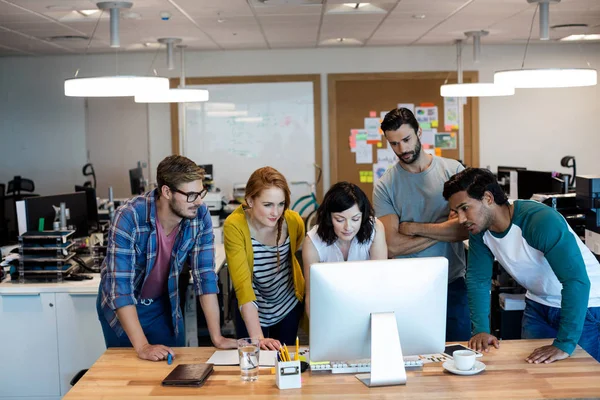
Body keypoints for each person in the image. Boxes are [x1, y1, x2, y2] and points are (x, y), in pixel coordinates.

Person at [444, 168, 600, 363]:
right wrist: (481, 330)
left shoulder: (540, 220)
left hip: (585, 305)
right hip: (538, 304)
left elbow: (576, 281)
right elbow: (478, 279)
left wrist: (565, 343)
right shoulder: (479, 230)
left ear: (488, 198)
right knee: (533, 379)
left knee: (581, 385)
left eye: (465, 208)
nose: (460, 219)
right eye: (456, 211)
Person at [97, 155, 236, 362]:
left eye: (201, 193)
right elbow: (120, 289)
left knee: (171, 368)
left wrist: (217, 337)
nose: (198, 201)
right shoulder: (129, 216)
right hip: (123, 308)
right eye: (190, 195)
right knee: (129, 373)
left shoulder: (199, 214)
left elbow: (205, 277)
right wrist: (143, 346)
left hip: (163, 304)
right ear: (167, 191)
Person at [373, 107, 471, 341]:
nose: (402, 149)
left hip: (452, 282)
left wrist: (415, 227)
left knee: (458, 352)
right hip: (408, 286)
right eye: (394, 144)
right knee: (413, 358)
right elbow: (393, 246)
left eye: (406, 139)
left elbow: (464, 228)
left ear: (419, 132)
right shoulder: (385, 185)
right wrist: (443, 228)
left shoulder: (453, 171)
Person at [224, 166, 305, 350]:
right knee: (254, 358)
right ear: (250, 200)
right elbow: (243, 286)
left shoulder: (293, 222)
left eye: (281, 204)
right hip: (252, 306)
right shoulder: (234, 226)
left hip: (287, 304)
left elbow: (294, 257)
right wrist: (258, 338)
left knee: (284, 361)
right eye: (268, 205)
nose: (275, 212)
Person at [302, 181, 387, 316]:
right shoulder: (313, 241)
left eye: (355, 219)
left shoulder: (375, 228)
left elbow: (380, 281)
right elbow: (312, 295)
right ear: (328, 218)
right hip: (330, 306)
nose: (348, 227)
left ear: (363, 216)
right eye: (340, 219)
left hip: (367, 302)